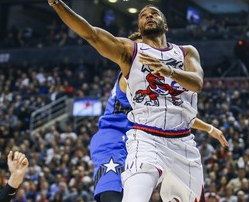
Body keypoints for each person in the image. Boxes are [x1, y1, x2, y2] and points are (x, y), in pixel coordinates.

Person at [39, 0, 210, 201]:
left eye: (154, 12)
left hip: (181, 142)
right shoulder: (129, 52)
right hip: (138, 135)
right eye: (143, 15)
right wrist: (55, 1)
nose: (149, 15)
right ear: (138, 30)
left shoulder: (186, 53)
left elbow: (196, 85)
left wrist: (168, 71)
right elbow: (90, 33)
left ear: (166, 24)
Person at [90, 33, 229, 202]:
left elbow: (171, 114)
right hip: (114, 137)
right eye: (142, 50)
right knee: (113, 194)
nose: (148, 54)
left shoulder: (149, 78)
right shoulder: (131, 79)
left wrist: (209, 128)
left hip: (141, 137)